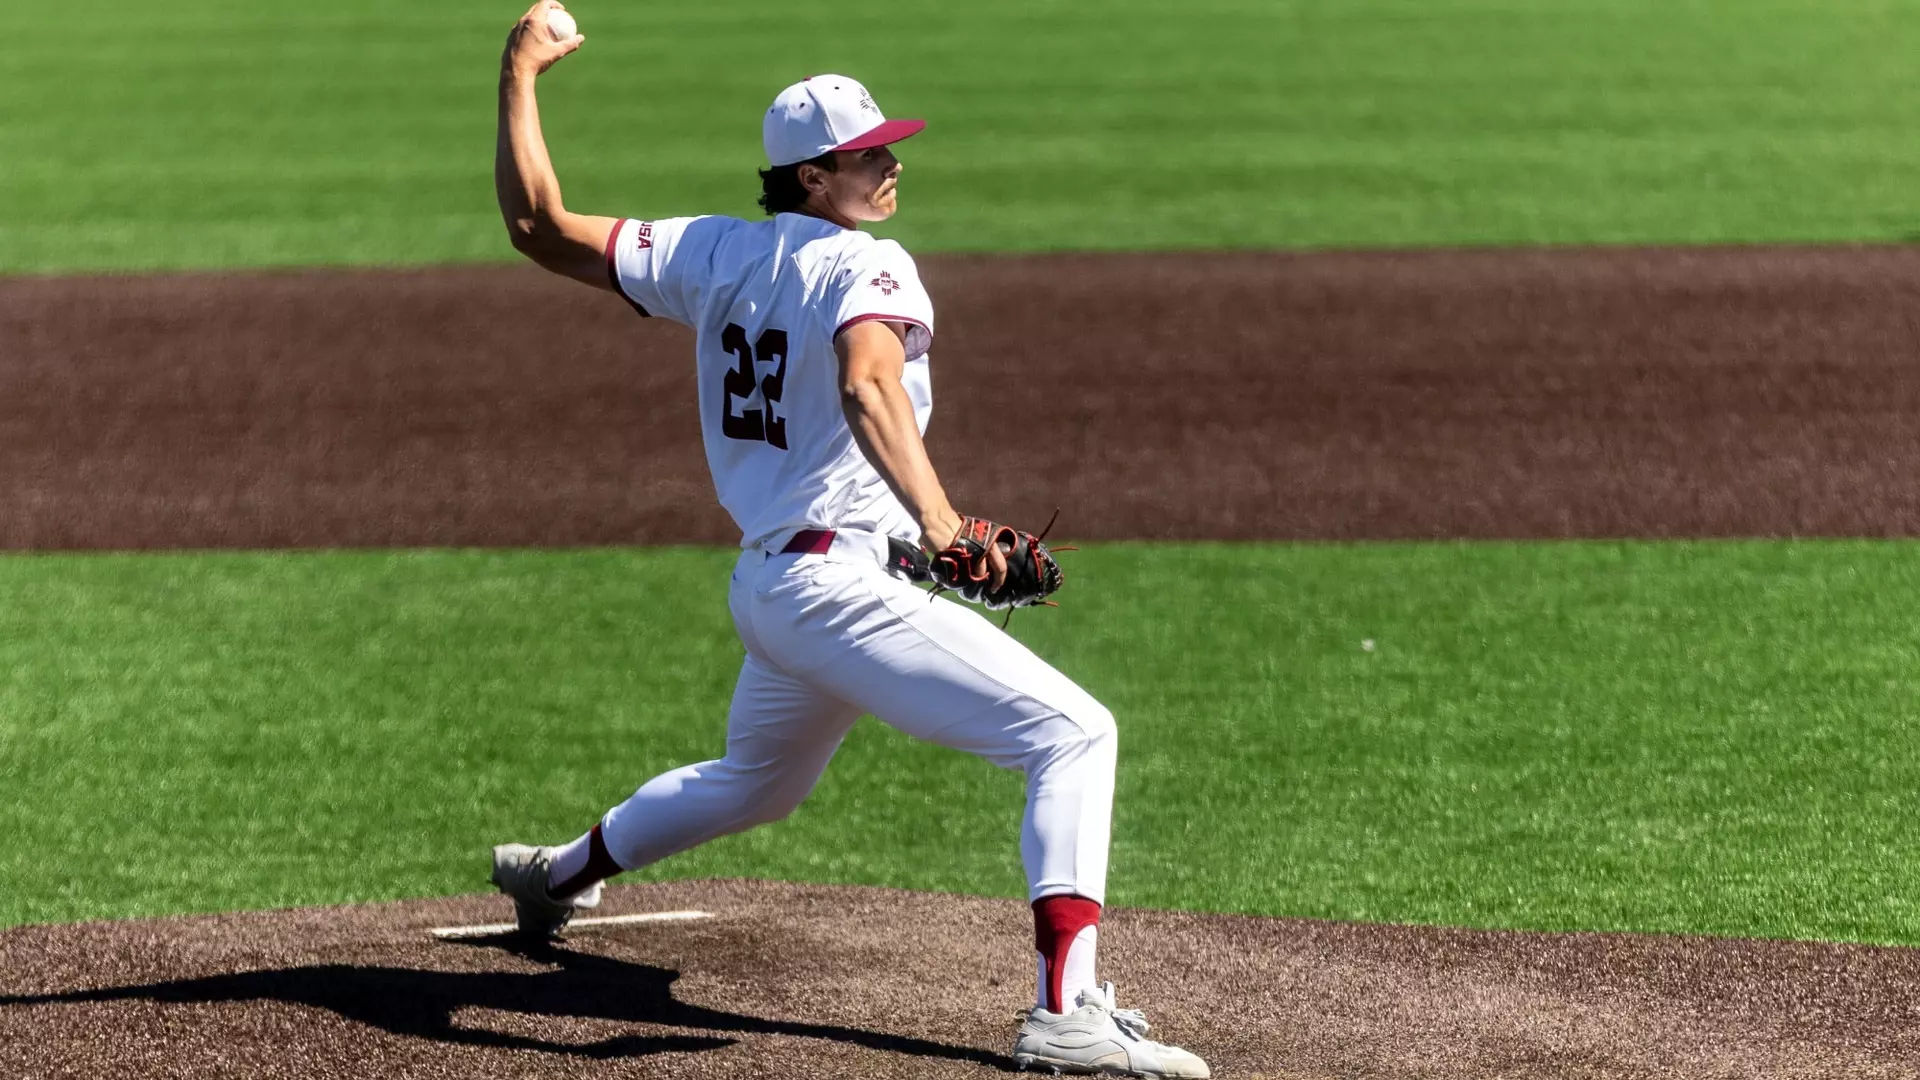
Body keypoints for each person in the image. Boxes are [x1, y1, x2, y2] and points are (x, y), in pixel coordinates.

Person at [488, 4, 1208, 1076]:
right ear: (813, 179)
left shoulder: (708, 251)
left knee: (755, 783)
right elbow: (871, 382)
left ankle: (560, 872)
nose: (889, 167)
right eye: (866, 155)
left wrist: (519, 73)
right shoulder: (869, 267)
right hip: (829, 592)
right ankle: (1065, 1012)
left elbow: (539, 227)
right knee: (1073, 734)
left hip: (778, 587)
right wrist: (945, 525)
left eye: (888, 149)